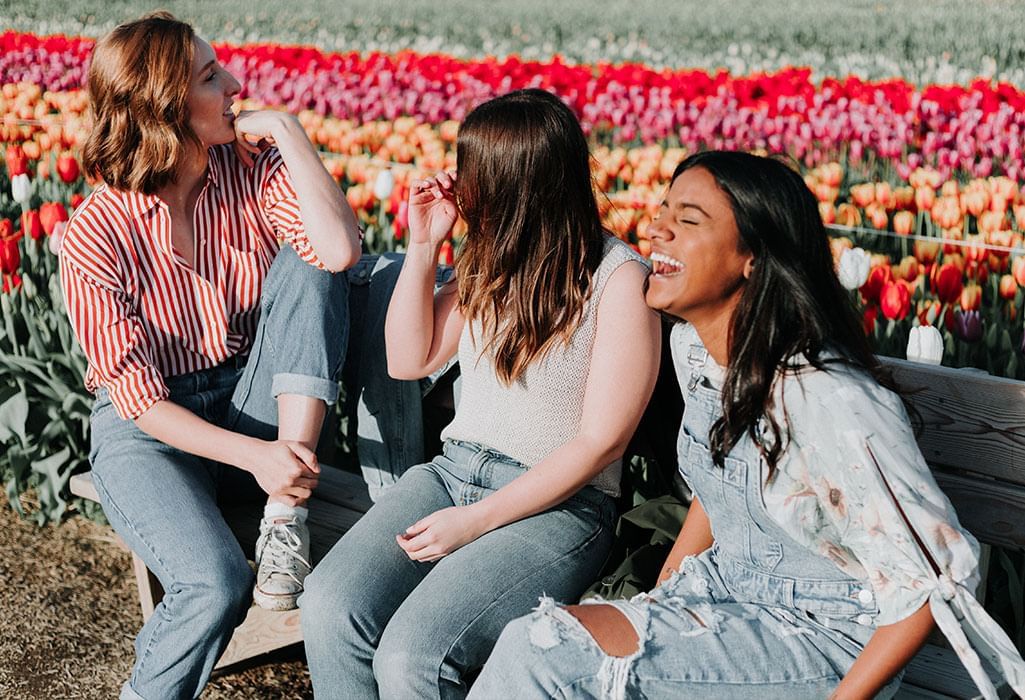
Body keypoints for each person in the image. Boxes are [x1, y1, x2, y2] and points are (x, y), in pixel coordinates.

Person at [469, 151, 1025, 699]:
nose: (656, 228)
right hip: (724, 596)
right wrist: (665, 592)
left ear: (752, 259)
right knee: (537, 642)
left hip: (824, 639)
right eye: (663, 210)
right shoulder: (694, 351)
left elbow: (932, 579)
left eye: (687, 220)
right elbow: (724, 483)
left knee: (544, 656)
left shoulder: (825, 397)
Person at [300, 88, 662, 698]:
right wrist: (423, 246)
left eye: (472, 172)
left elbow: (604, 442)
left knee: (415, 654)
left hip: (560, 505)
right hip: (451, 474)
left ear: (517, 184)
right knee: (331, 608)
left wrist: (475, 522)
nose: (458, 185)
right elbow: (408, 358)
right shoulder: (490, 262)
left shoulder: (617, 278)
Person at [60, 13, 364, 699]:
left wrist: (288, 130)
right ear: (164, 106)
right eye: (209, 76)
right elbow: (139, 402)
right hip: (153, 433)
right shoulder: (93, 237)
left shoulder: (251, 168)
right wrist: (257, 459)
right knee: (215, 585)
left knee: (309, 263)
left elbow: (338, 254)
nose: (235, 84)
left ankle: (283, 518)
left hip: (249, 400)